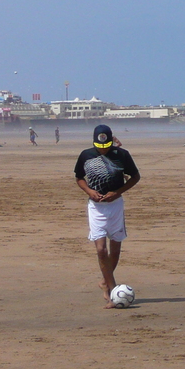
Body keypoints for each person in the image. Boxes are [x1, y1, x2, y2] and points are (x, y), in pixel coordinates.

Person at [75, 124, 140, 307]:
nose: (103, 150)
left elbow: (135, 177)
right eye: (99, 147)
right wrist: (89, 191)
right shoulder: (86, 155)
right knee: (101, 249)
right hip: (96, 208)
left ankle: (105, 282)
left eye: (106, 146)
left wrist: (118, 192)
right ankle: (112, 291)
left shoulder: (122, 155)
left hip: (116, 206)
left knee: (115, 248)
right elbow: (79, 178)